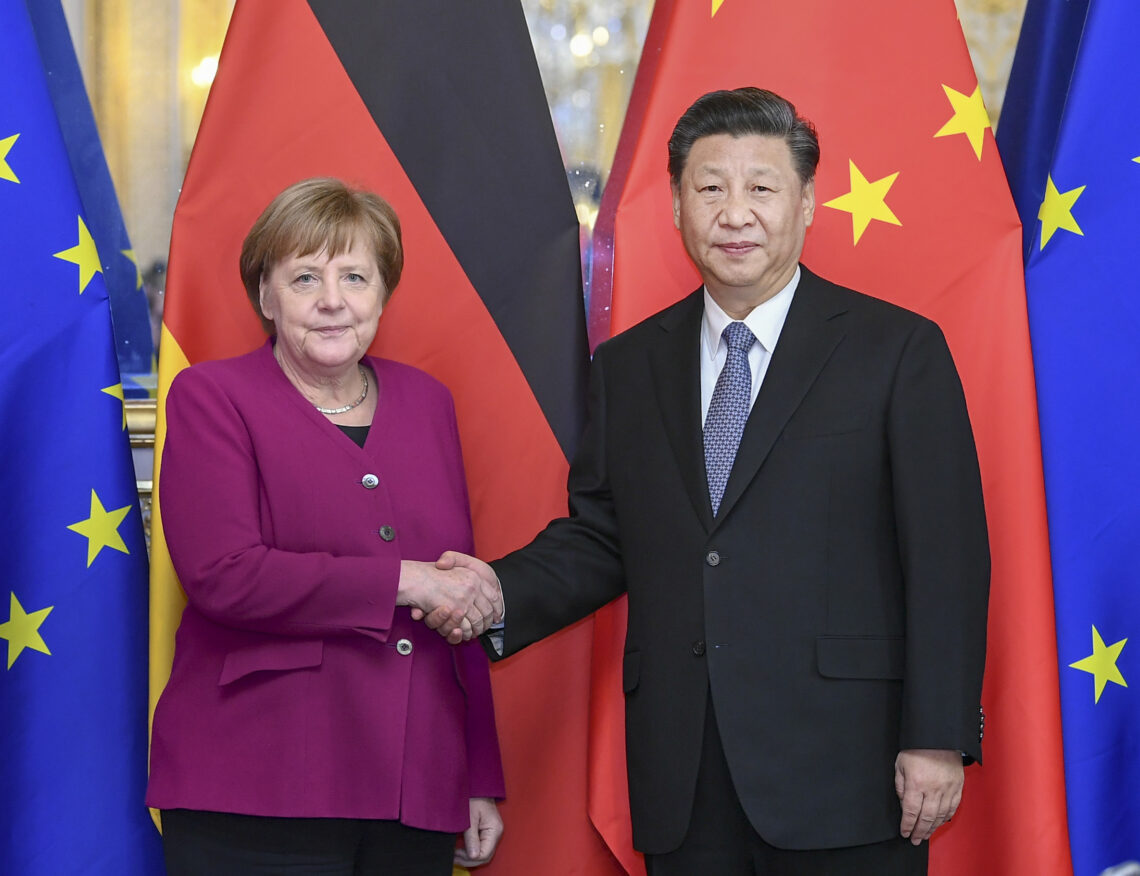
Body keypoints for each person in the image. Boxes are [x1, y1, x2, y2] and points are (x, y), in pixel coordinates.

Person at [430, 88, 989, 875]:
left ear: (806, 204)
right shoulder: (630, 366)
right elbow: (604, 536)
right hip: (685, 771)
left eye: (761, 188)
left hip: (848, 769)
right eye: (710, 187)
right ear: (677, 207)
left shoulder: (895, 351)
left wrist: (936, 736)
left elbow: (946, 556)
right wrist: (491, 592)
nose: (736, 213)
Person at [147, 177, 505, 876]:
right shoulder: (214, 397)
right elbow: (227, 577)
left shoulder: (428, 402)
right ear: (265, 297)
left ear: (383, 294)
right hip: (258, 784)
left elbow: (454, 593)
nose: (332, 299)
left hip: (413, 785)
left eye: (355, 276)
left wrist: (477, 773)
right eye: (305, 276)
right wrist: (404, 581)